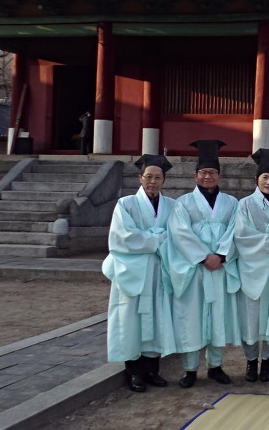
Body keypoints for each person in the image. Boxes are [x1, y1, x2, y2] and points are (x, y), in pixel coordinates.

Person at [163, 140, 241, 388]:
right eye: (204, 172)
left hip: (219, 267)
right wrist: (203, 256)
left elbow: (236, 231)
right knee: (191, 317)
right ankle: (190, 369)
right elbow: (179, 233)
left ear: (220, 176)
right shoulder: (183, 203)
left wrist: (221, 255)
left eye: (213, 172)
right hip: (195, 268)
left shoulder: (231, 202)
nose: (208, 177)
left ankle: (216, 366)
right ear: (195, 175)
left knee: (218, 316)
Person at [104, 154, 177, 392]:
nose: (152, 182)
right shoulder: (125, 204)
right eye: (148, 177)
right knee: (131, 319)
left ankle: (152, 369)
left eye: (157, 178)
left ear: (164, 180)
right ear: (140, 178)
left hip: (159, 270)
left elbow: (177, 235)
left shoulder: (172, 206)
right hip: (133, 271)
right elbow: (124, 237)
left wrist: (153, 238)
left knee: (157, 317)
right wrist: (157, 238)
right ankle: (134, 370)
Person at [234, 149, 269, 383]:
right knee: (251, 316)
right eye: (265, 177)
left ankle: (267, 360)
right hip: (253, 268)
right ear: (257, 179)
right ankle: (250, 360)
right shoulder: (245, 204)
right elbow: (241, 236)